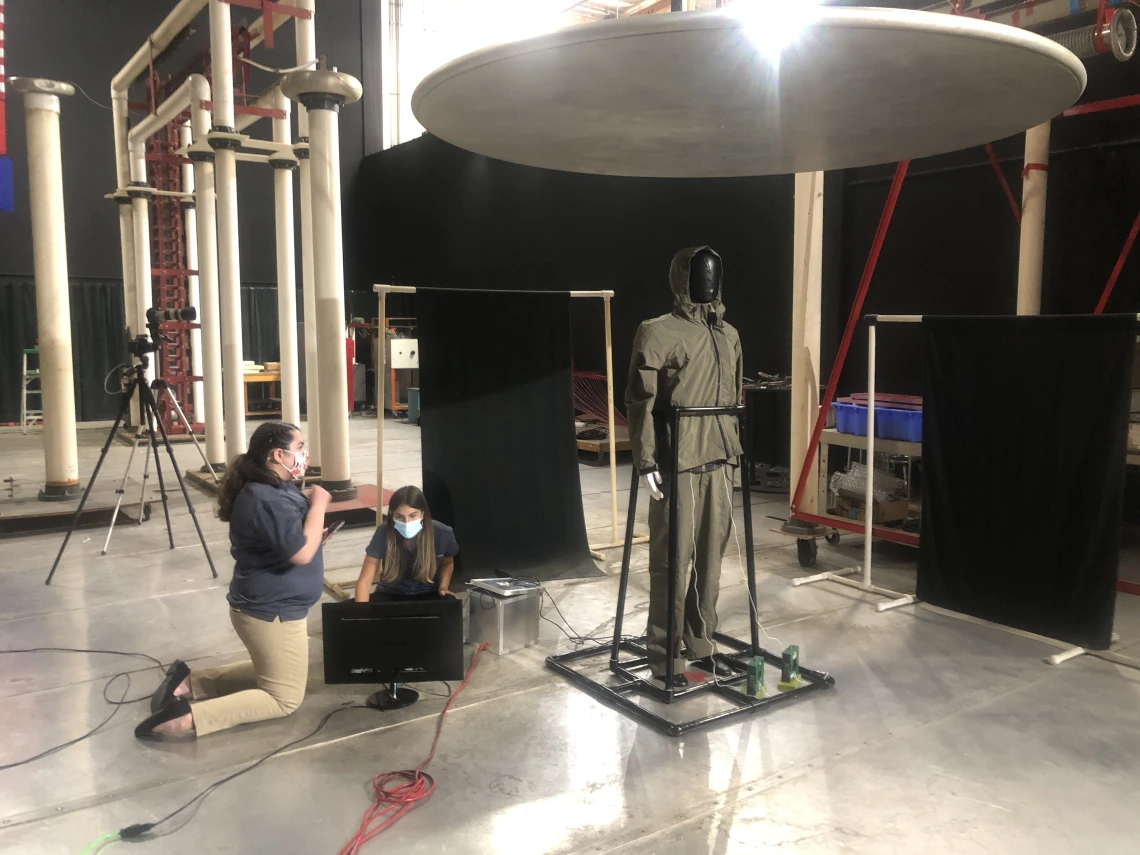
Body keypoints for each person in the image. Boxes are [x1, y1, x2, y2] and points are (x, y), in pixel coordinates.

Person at [135, 422, 329, 740]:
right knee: (284, 699)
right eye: (300, 447)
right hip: (272, 611)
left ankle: (189, 683)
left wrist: (310, 534)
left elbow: (291, 542)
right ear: (278, 454)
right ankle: (186, 719)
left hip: (274, 607)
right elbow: (301, 554)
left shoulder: (278, 486)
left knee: (280, 675)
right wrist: (320, 504)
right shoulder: (266, 498)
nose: (304, 455)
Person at [353, 485, 459, 602]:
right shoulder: (384, 532)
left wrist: (443, 586)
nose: (407, 522)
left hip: (429, 593)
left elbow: (447, 563)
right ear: (392, 515)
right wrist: (361, 614)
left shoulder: (443, 533)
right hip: (390, 593)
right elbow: (365, 580)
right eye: (400, 517)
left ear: (423, 514)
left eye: (413, 516)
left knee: (451, 604)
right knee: (342, 611)